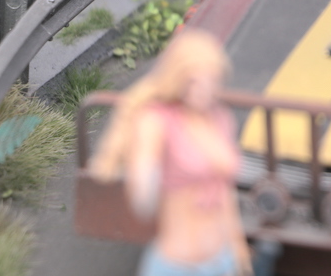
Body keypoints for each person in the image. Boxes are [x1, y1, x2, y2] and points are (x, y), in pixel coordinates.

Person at [91, 29, 251, 276]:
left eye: (212, 79)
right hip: (179, 266)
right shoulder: (158, 120)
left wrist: (239, 248)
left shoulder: (220, 118)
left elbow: (225, 193)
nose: (205, 89)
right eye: (195, 80)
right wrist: (138, 164)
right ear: (179, 78)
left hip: (222, 260)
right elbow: (142, 196)